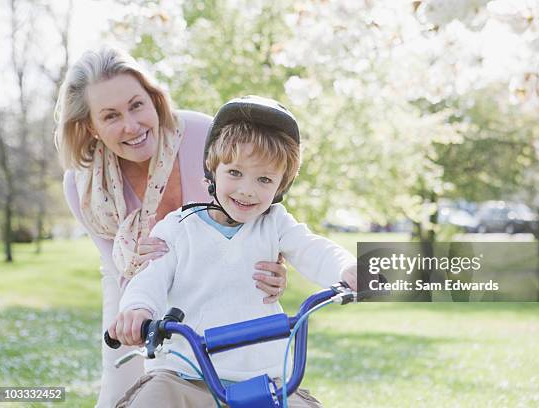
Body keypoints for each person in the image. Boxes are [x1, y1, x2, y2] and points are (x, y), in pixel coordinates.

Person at [54, 46, 289, 408]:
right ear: (91, 127)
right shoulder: (82, 185)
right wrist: (133, 315)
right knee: (119, 394)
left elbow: (261, 206)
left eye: (136, 105)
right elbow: (113, 265)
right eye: (111, 116)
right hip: (137, 284)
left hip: (223, 287)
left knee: (244, 387)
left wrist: (276, 263)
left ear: (154, 99)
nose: (131, 126)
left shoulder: (202, 134)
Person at [108, 96, 357, 407]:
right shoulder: (177, 227)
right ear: (213, 171)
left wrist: (347, 268)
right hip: (183, 373)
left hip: (263, 377)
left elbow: (313, 249)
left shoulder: (275, 224)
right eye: (235, 173)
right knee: (152, 401)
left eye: (264, 179)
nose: (247, 189)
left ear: (280, 187)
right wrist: (138, 310)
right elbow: (150, 278)